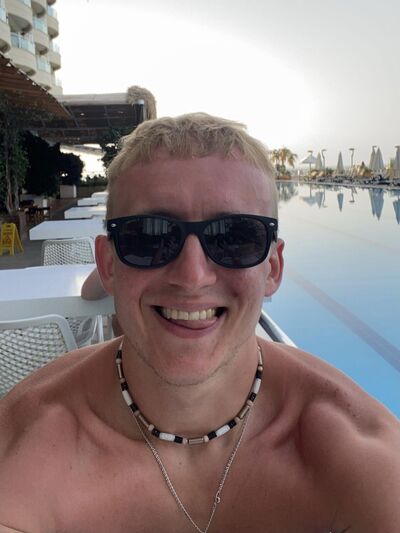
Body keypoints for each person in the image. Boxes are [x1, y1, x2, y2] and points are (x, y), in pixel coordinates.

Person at [0, 113, 399, 533]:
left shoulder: (358, 451)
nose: (192, 277)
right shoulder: (27, 446)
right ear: (108, 264)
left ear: (273, 268)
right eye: (150, 235)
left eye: (234, 237)